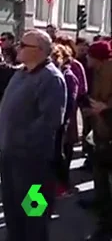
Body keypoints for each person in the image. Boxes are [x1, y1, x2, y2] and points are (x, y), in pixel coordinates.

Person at [0, 29, 66, 241]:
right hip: (10, 156)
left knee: (34, 212)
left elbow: (50, 121)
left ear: (40, 51)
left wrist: (20, 141)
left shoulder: (51, 78)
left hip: (33, 162)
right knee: (13, 210)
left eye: (24, 45)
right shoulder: (21, 72)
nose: (19, 48)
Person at [84, 40, 112, 241]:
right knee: (100, 176)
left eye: (90, 55)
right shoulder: (98, 72)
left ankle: (106, 224)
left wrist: (104, 109)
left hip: (108, 133)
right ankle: (102, 212)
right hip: (101, 131)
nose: (86, 57)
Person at [50, 44, 78, 198]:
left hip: (57, 125)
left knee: (54, 157)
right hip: (46, 126)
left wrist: (60, 121)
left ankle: (61, 188)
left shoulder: (66, 77)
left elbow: (69, 103)